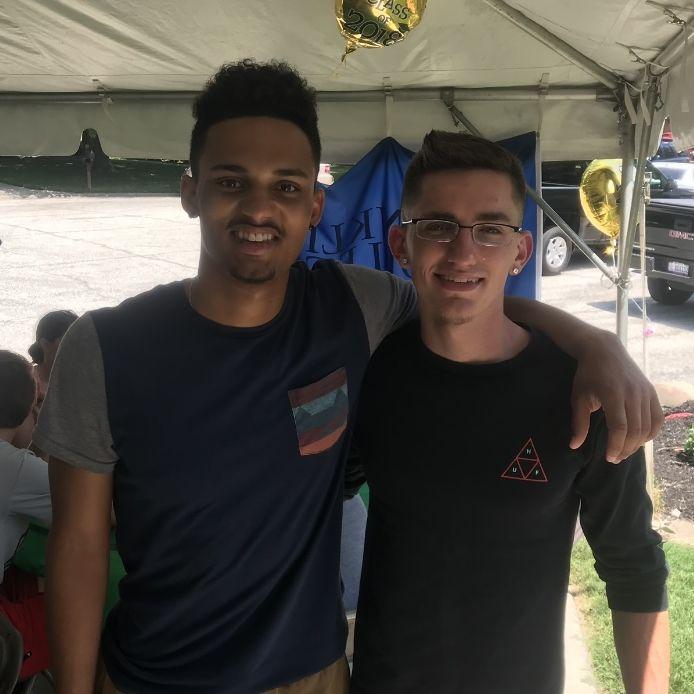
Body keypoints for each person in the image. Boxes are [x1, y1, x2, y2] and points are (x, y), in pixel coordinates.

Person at [34, 60, 662, 694]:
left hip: (311, 677)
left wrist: (595, 342)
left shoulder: (351, 309)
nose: (259, 207)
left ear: (315, 204)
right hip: (152, 678)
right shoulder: (106, 347)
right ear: (190, 192)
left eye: (286, 186)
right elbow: (79, 546)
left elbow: (468, 300)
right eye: (230, 181)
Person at [348, 131, 670, 694]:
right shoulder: (372, 373)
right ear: (402, 244)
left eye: (491, 229)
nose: (463, 252)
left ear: (521, 251)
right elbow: (316, 499)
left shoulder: (585, 392)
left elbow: (634, 568)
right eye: (438, 226)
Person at [0, 350, 52, 680]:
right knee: (82, 608)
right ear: (24, 415)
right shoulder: (14, 468)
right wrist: (42, 436)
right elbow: (95, 511)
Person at [28, 310, 78, 413]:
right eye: (69, 341)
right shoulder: (25, 381)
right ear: (45, 344)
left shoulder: (83, 380)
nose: (77, 348)